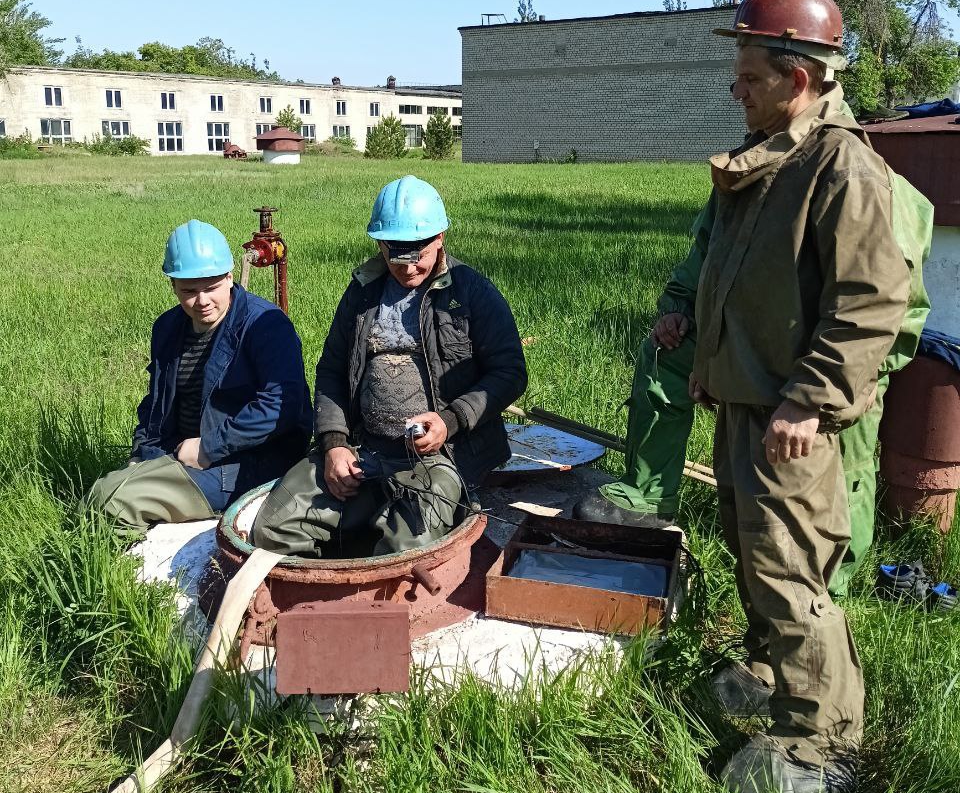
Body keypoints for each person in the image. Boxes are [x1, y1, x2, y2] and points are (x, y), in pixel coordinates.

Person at [680, 0, 909, 793]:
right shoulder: (770, 153)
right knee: (752, 549)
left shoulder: (840, 166)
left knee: (791, 567)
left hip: (793, 419)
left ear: (798, 77)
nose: (733, 88)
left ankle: (825, 743)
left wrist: (808, 400)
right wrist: (711, 360)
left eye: (748, 74)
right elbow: (732, 278)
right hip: (748, 400)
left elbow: (870, 301)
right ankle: (770, 670)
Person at [574, 174, 932, 599]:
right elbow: (708, 251)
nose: (741, 104)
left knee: (849, 449)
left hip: (837, 356)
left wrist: (866, 371)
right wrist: (680, 308)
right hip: (755, 338)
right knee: (665, 353)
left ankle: (830, 582)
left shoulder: (873, 184)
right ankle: (649, 496)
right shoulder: (751, 173)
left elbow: (896, 307)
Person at [252, 177, 527, 557]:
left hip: (441, 456)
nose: (408, 267)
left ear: (440, 237)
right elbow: (331, 370)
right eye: (395, 253)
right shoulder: (363, 292)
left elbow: (510, 372)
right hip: (364, 449)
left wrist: (451, 420)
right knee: (272, 528)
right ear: (379, 244)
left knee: (404, 548)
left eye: (418, 253)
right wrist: (334, 444)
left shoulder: (472, 293)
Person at [89, 220, 312, 532]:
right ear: (173, 285)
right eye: (189, 291)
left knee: (111, 500)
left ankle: (127, 571)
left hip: (248, 465)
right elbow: (155, 404)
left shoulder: (267, 326)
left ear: (230, 277)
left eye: (211, 287)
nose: (202, 301)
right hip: (182, 454)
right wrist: (142, 455)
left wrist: (209, 447)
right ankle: (117, 565)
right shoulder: (167, 328)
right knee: (107, 489)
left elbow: (279, 407)